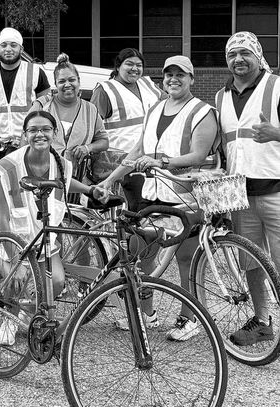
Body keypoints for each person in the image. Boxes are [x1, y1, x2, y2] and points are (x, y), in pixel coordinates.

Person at [99, 55, 219, 341]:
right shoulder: (155, 109)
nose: (173, 79)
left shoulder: (203, 111)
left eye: (181, 74)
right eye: (169, 75)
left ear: (192, 79)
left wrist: (162, 163)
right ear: (163, 79)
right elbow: (136, 151)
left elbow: (199, 155)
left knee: (186, 260)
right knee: (141, 252)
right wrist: (110, 179)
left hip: (184, 196)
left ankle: (188, 318)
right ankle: (148, 314)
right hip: (152, 195)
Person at [0, 110, 105, 345]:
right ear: (25, 134)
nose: (40, 134)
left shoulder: (61, 165)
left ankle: (27, 310)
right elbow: (2, 218)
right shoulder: (6, 167)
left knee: (56, 281)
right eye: (33, 130)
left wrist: (90, 190)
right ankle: (10, 316)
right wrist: (14, 260)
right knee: (17, 279)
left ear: (54, 133)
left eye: (46, 129)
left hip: (40, 234)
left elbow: (66, 182)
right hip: (3, 233)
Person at [216, 31, 278, 346]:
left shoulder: (277, 86)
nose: (238, 59)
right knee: (250, 262)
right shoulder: (220, 96)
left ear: (258, 55)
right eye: (232, 54)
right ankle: (263, 321)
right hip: (240, 194)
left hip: (277, 191)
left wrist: (277, 133)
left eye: (245, 53)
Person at [90, 48, 166, 211]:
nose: (135, 69)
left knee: (153, 209)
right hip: (121, 164)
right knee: (133, 211)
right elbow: (92, 128)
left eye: (139, 65)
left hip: (150, 160)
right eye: (129, 64)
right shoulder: (105, 90)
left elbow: (171, 102)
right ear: (118, 67)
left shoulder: (147, 84)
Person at [29, 53, 109, 179]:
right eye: (62, 81)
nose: (67, 85)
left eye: (72, 80)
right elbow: (27, 140)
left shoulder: (90, 109)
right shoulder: (44, 106)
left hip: (79, 179)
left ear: (78, 81)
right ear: (55, 84)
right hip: (44, 177)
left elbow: (104, 141)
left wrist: (88, 148)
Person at [0, 27, 51, 144]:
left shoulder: (35, 72)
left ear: (21, 49)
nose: (8, 49)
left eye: (13, 45)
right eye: (4, 45)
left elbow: (47, 104)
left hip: (28, 141)